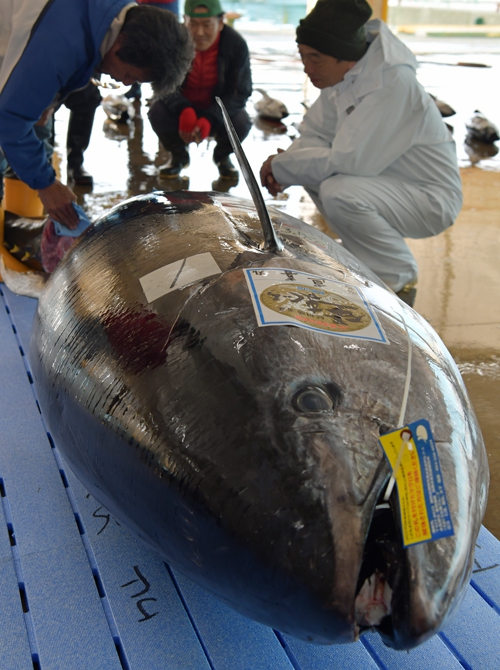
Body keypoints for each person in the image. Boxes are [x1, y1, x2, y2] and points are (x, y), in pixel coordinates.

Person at [260, 0, 462, 306]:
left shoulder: (392, 83)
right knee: (317, 171)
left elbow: (349, 160)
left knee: (338, 188)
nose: (307, 68)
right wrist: (284, 166)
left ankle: (397, 274)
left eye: (315, 58)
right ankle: (364, 252)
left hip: (430, 197)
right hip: (385, 182)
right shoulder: (342, 76)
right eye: (302, 56)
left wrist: (282, 166)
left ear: (348, 59)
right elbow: (314, 133)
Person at [0, 1, 193, 228]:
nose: (125, 82)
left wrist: (49, 101)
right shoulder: (62, 42)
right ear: (122, 40)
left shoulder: (108, 16)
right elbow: (8, 120)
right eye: (130, 74)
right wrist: (47, 185)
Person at [147, 0, 252, 179]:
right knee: (156, 111)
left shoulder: (236, 45)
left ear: (220, 23)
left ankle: (222, 157)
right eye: (193, 24)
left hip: (216, 109)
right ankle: (178, 156)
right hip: (182, 107)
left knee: (242, 121)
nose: (199, 32)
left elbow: (240, 91)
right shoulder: (172, 40)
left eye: (207, 25)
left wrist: (211, 117)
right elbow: (161, 83)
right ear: (184, 20)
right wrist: (184, 109)